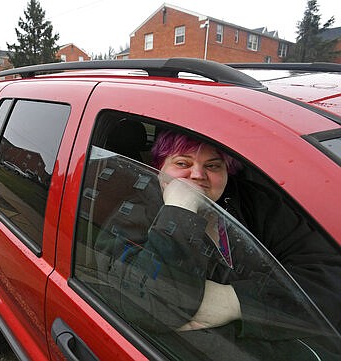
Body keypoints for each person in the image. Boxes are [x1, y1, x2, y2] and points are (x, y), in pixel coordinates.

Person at [94, 130, 341, 359]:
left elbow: (329, 274)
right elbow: (148, 307)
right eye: (182, 163)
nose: (198, 175)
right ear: (159, 168)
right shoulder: (129, 219)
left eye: (212, 166)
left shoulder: (255, 203)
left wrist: (236, 302)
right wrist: (180, 210)